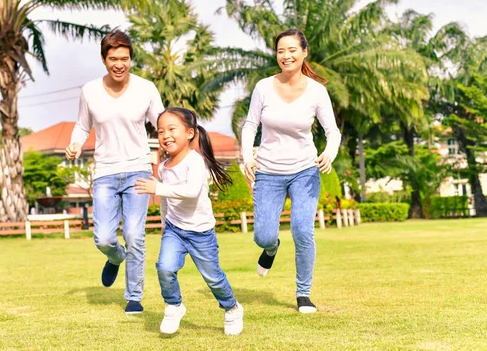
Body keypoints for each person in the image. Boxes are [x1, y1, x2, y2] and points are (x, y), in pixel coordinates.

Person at [241, 28, 341, 313]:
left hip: (304, 170)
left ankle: (303, 293)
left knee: (302, 230)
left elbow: (332, 132)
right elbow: (250, 125)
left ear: (304, 52)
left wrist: (328, 154)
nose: (286, 55)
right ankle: (271, 249)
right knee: (263, 236)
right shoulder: (263, 87)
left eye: (292, 50)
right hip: (268, 170)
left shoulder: (316, 92)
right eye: (281, 51)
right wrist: (247, 157)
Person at [65, 30, 164, 314]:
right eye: (113, 59)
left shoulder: (146, 88)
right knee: (104, 238)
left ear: (131, 59)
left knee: (135, 234)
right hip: (106, 172)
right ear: (103, 59)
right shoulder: (90, 91)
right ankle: (115, 257)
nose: (119, 64)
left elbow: (162, 121)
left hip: (138, 170)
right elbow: (83, 126)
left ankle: (134, 296)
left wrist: (178, 143)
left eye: (124, 58)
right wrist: (74, 143)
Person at [135, 107, 244, 336]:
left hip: (201, 232)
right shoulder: (163, 167)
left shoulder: (195, 162)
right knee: (164, 267)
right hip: (175, 230)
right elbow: (166, 199)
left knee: (212, 278)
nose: (165, 135)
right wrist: (165, 224)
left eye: (171, 129)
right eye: (161, 131)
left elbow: (191, 191)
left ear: (190, 133)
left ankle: (232, 308)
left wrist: (157, 187)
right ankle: (174, 305)